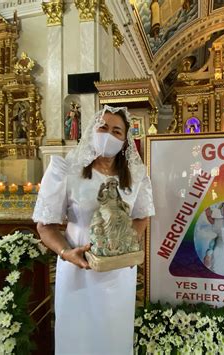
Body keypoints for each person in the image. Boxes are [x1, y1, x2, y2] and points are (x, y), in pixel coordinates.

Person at [33, 105, 155, 354]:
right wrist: (66, 253)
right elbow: (45, 226)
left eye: (117, 131)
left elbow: (141, 217)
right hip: (79, 271)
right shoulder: (67, 171)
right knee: (79, 338)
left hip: (119, 274)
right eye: (104, 127)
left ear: (125, 140)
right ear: (92, 130)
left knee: (113, 337)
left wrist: (127, 243)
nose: (109, 134)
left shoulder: (135, 176)